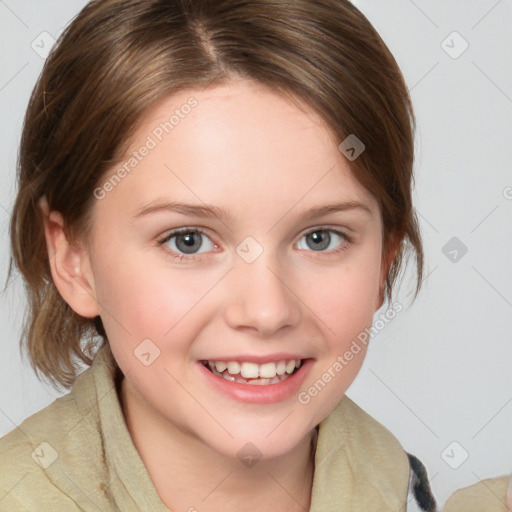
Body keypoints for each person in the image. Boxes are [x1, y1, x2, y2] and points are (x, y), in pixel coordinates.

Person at [0, 0, 509, 511]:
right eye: (188, 241)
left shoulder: (411, 491)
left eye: (320, 238)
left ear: (384, 260)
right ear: (73, 259)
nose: (266, 311)